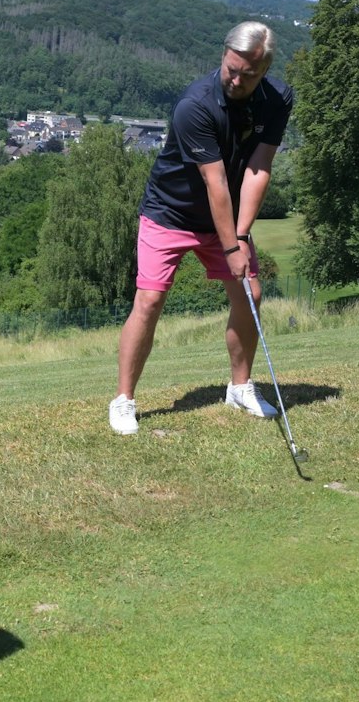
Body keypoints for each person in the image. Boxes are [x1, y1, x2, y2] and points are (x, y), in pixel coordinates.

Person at [110, 22, 294, 436]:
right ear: (224, 55)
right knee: (151, 300)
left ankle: (240, 387)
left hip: (225, 219)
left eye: (248, 75)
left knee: (251, 293)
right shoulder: (194, 104)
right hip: (170, 212)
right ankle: (124, 400)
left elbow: (259, 167)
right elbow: (215, 184)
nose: (236, 80)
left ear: (263, 71)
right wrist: (232, 248)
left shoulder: (278, 98)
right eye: (232, 69)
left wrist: (241, 236)